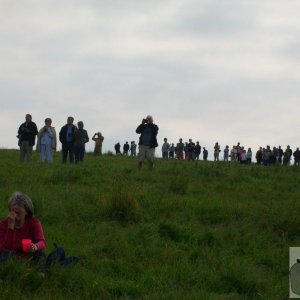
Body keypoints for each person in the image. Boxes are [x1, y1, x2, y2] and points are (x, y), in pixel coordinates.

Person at [0, 192, 46, 262]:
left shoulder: (34, 223)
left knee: (40, 253)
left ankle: (40, 272)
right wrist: (10, 227)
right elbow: (4, 249)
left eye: (19, 205)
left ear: (26, 211)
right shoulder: (3, 224)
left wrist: (35, 246)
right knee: (5, 253)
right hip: (11, 259)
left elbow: (42, 242)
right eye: (13, 205)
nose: (15, 207)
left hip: (29, 258)